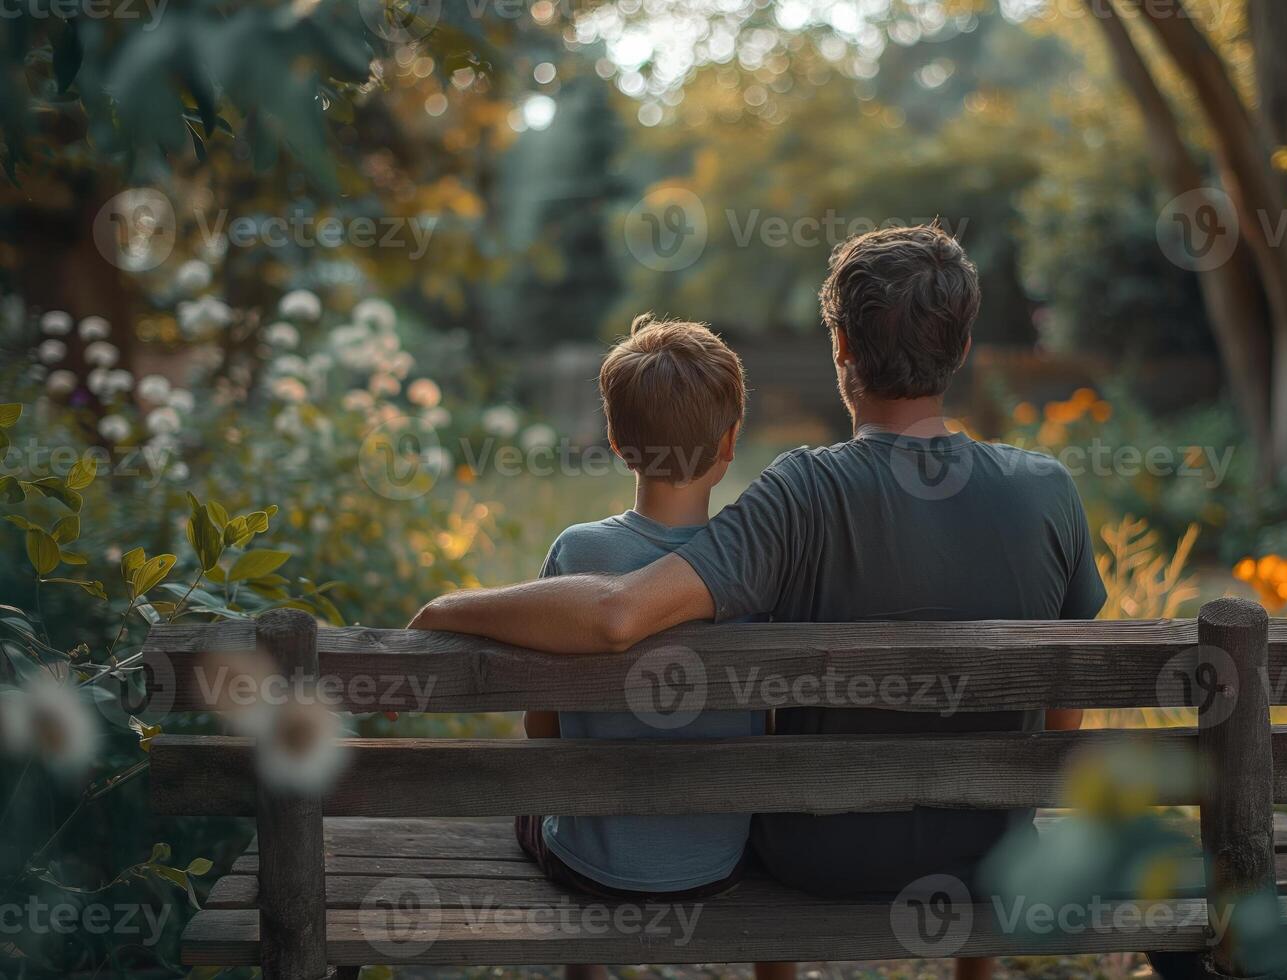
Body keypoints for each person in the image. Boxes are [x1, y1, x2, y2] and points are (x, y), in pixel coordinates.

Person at [412, 224, 1107, 980]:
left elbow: (618, 613)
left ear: (840, 348)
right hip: (990, 852)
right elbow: (1060, 709)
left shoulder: (801, 494)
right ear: (963, 348)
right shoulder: (1048, 491)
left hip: (823, 854)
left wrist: (450, 606)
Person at [510, 314, 766, 980]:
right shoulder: (753, 566)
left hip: (593, 865)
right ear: (730, 441)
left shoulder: (579, 552)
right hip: (719, 863)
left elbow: (543, 726)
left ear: (619, 444)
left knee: (533, 811)